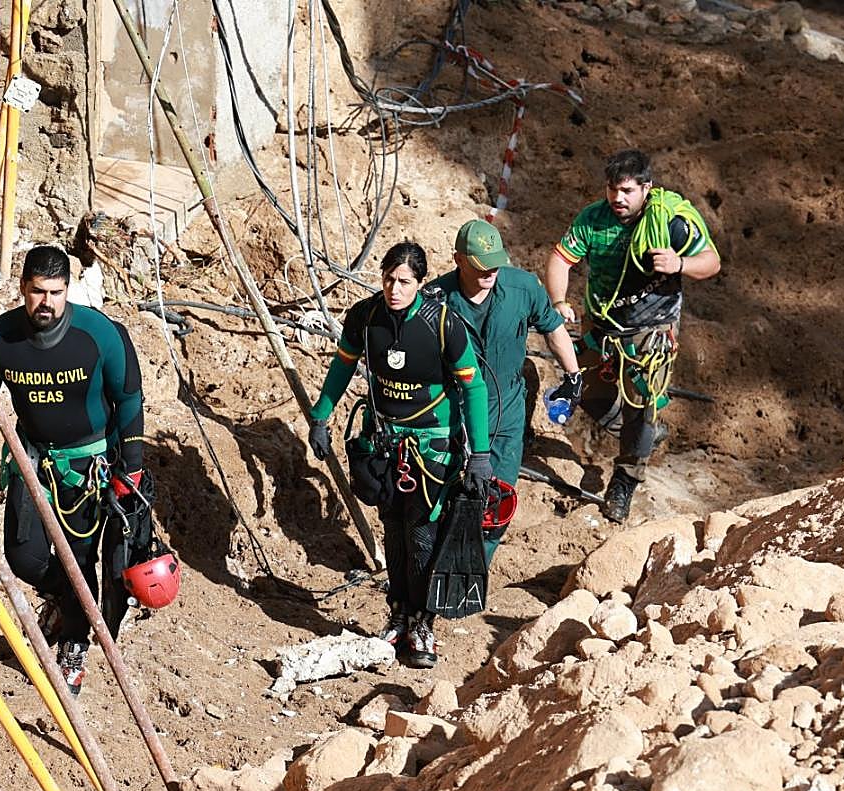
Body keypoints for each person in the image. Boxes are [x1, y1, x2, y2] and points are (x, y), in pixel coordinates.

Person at [0, 245, 161, 696]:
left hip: (90, 468)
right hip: (32, 461)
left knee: (79, 562)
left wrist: (132, 468)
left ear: (68, 290)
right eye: (37, 292)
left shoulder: (100, 336)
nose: (46, 302)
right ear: (22, 288)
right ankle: (66, 604)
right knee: (23, 557)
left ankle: (74, 644)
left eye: (55, 293)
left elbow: (129, 399)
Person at [306, 241, 492, 668]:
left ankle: (423, 623)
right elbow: (343, 365)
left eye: (405, 281)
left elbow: (474, 387)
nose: (394, 289)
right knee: (392, 529)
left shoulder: (443, 324)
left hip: (433, 448)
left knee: (422, 535)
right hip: (384, 443)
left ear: (420, 283)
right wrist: (320, 416)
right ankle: (398, 614)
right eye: (389, 279)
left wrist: (480, 454)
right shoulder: (365, 317)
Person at [544, 149, 721, 523]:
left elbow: (711, 262)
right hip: (600, 325)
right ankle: (643, 435)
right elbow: (561, 259)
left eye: (627, 190)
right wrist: (559, 300)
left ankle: (624, 481)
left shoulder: (671, 221)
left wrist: (679, 263)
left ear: (646, 188)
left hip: (651, 330)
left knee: (641, 407)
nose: (618, 198)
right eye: (613, 189)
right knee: (584, 390)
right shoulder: (593, 219)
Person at [426, 219, 583, 564]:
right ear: (458, 260)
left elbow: (553, 328)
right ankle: (432, 567)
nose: (491, 272)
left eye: (496, 263)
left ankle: (472, 571)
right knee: (437, 501)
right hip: (451, 416)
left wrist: (573, 376)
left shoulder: (522, 288)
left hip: (505, 414)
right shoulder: (435, 300)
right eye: (482, 265)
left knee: (496, 503)